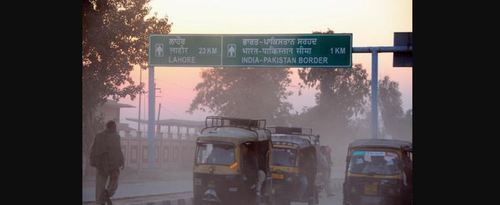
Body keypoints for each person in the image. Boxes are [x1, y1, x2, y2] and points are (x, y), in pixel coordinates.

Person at [90, 121, 124, 205]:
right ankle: (103, 198)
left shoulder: (114, 137)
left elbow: (118, 150)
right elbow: (94, 150)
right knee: (106, 185)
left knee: (107, 186)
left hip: (108, 165)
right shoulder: (102, 136)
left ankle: (104, 196)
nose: (115, 129)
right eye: (114, 127)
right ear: (111, 127)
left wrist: (122, 160)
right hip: (106, 165)